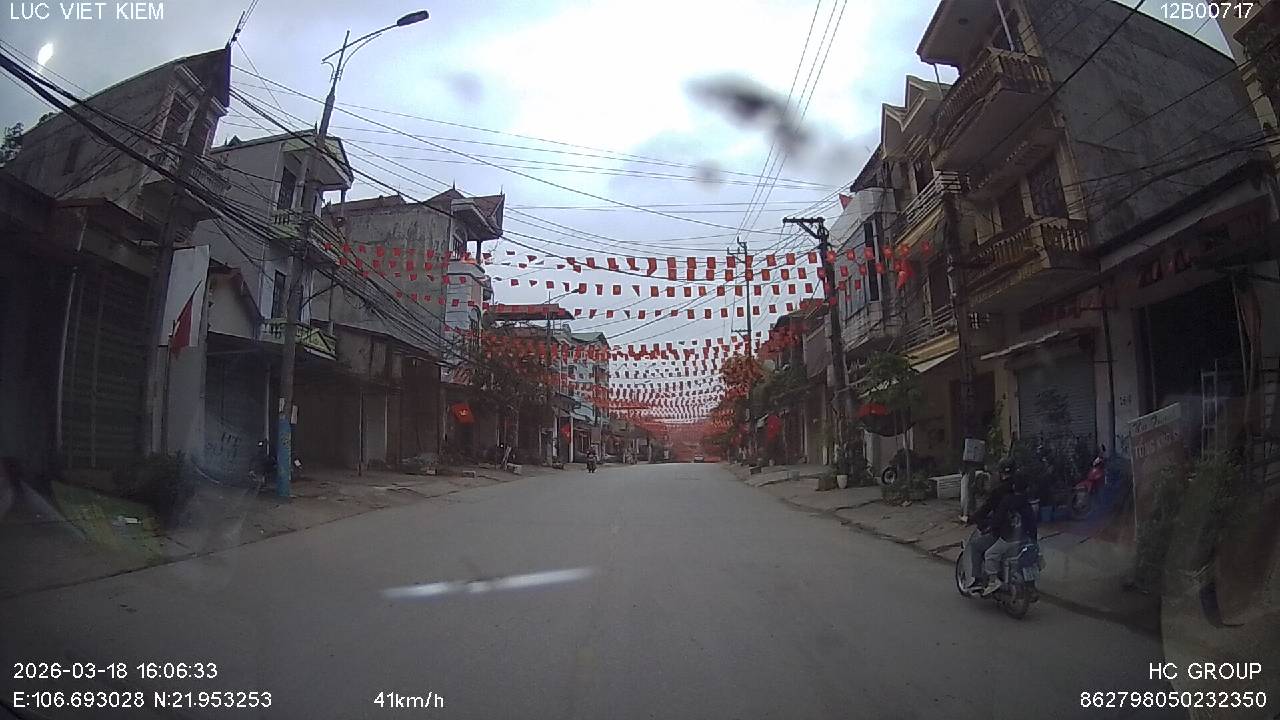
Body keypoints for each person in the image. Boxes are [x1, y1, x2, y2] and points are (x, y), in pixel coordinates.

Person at [973, 462, 1039, 596]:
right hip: (1026, 538)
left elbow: (996, 518)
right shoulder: (1028, 501)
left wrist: (988, 526)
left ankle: (990, 581)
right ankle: (1030, 585)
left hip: (1008, 538)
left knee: (988, 553)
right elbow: (1032, 522)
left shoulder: (1005, 497)